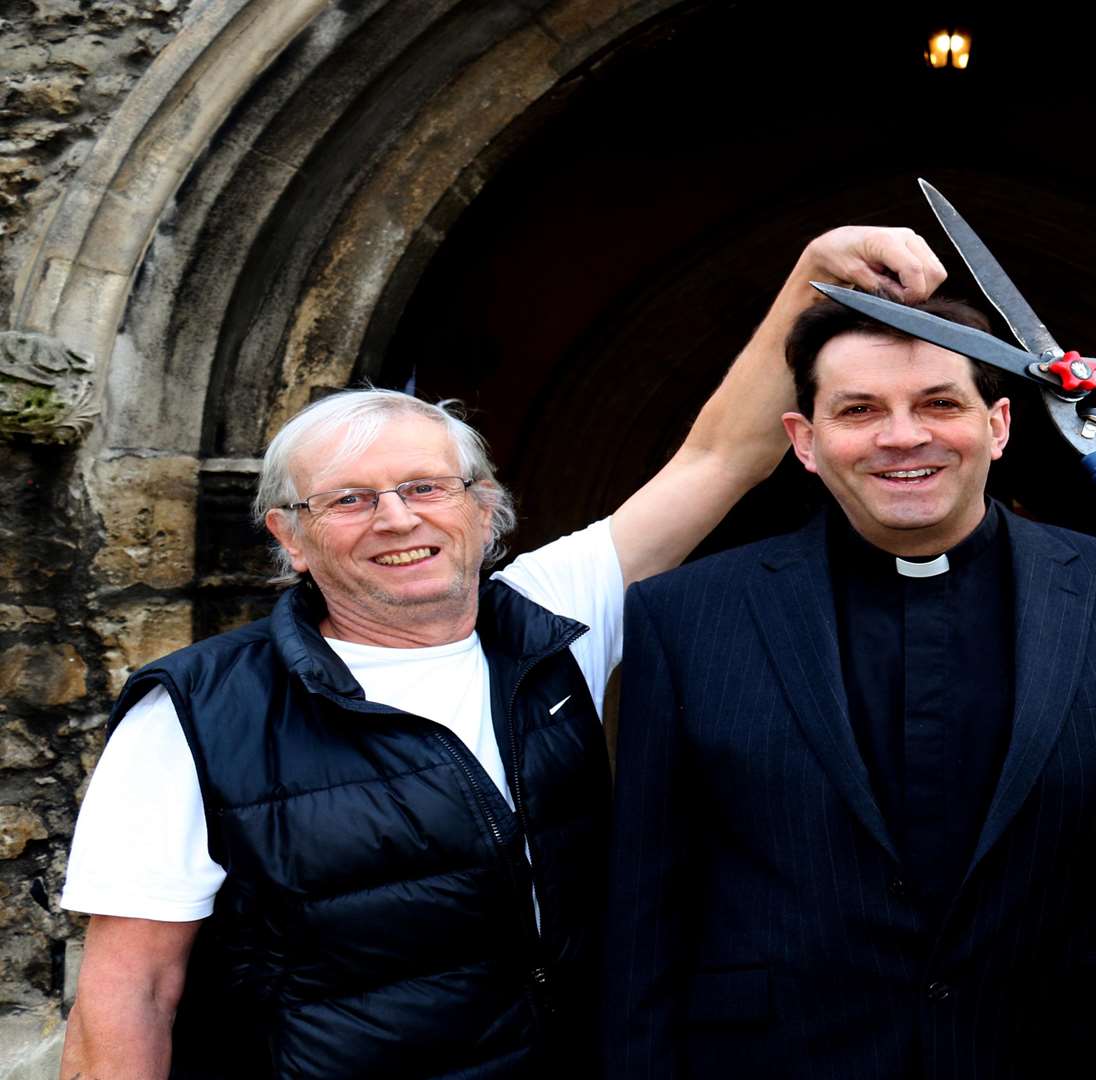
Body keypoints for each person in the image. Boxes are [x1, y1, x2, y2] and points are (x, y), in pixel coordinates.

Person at [56, 227, 948, 1078]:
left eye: (425, 487)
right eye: (350, 500)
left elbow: (716, 458)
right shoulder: (196, 714)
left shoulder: (548, 622)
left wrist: (813, 274)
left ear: (485, 510)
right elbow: (130, 993)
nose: (398, 518)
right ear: (290, 538)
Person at [603, 297, 1096, 1078]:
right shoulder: (683, 617)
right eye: (859, 410)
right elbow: (647, 907)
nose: (902, 436)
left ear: (998, 426)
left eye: (939, 403)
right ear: (806, 442)